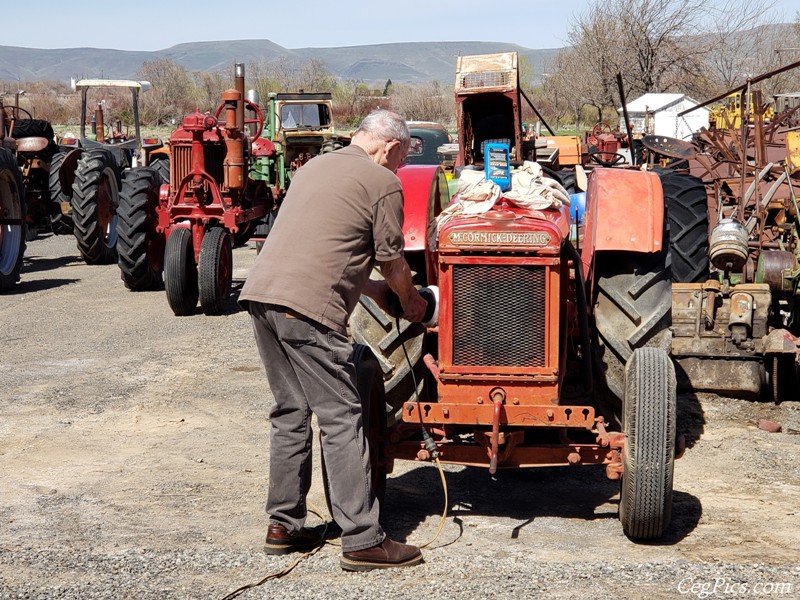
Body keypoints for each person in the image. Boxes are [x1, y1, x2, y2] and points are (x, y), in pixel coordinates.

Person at [239, 109, 428, 571]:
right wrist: (409, 301)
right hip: (308, 310)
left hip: (263, 298)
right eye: (402, 157)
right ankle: (363, 539)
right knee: (343, 417)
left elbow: (324, 245)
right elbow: (392, 259)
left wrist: (375, 293)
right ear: (391, 146)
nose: (400, 165)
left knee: (290, 412)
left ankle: (283, 525)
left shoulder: (315, 167)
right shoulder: (384, 181)